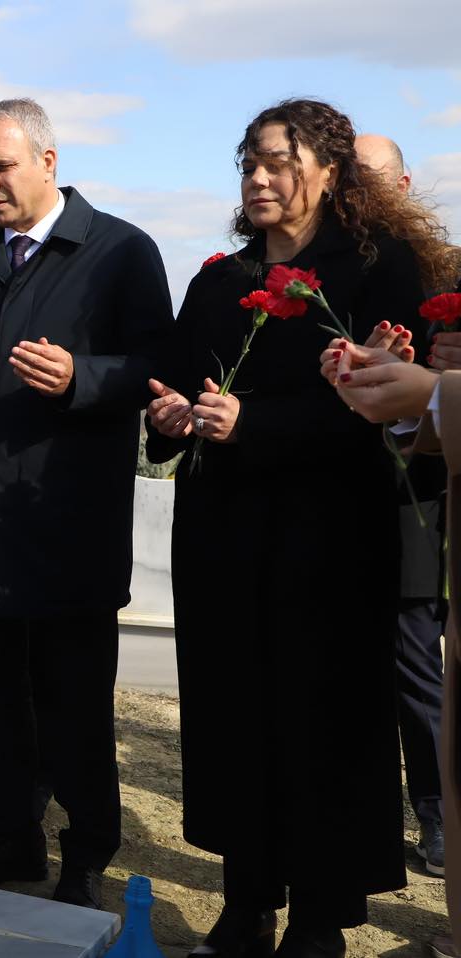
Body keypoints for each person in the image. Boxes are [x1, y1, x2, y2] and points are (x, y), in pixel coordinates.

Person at [145, 98, 454, 957]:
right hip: (223, 538)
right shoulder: (219, 279)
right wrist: (169, 415)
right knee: (232, 719)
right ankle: (245, 904)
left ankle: (319, 919)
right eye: (248, 160)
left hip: (331, 538)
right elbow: (170, 382)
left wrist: (255, 425)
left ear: (329, 172)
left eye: (278, 161)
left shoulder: (379, 271)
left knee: (322, 726)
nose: (258, 177)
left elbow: (393, 415)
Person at [0, 98, 172, 909]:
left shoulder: (121, 252)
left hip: (69, 525)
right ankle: (15, 840)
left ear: (48, 162)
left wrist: (83, 378)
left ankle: (86, 856)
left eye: (1, 167)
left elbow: (160, 364)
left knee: (76, 708)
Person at [354, 132, 446, 878]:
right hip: (341, 501)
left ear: (405, 185)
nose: (364, 196)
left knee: (417, 669)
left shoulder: (437, 276)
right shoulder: (332, 268)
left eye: (376, 182)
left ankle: (438, 815)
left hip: (416, 499)